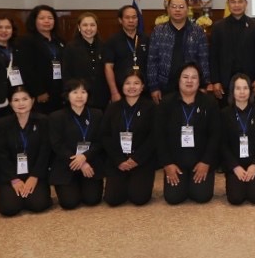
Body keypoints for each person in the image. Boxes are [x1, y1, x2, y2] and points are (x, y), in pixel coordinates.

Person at [157, 63, 221, 205]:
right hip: (175, 161)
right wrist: (168, 164)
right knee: (173, 198)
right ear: (178, 80)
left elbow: (215, 135)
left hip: (201, 160)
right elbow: (159, 136)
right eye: (185, 77)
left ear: (199, 81)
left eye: (194, 77)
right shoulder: (167, 103)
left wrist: (206, 162)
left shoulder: (209, 103)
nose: (189, 81)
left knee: (201, 196)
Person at [99, 70, 156, 207]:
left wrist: (136, 159)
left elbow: (154, 137)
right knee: (112, 199)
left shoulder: (151, 107)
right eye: (127, 83)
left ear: (142, 87)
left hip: (141, 160)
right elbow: (105, 135)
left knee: (139, 198)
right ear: (122, 86)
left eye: (136, 83)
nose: (132, 87)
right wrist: (119, 160)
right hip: (118, 160)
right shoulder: (113, 108)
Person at [0, 87, 53, 217]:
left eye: (25, 99)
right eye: (16, 100)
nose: (21, 103)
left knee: (38, 204)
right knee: (9, 208)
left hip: (35, 172)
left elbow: (45, 151)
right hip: (11, 174)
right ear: (10, 103)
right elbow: (1, 154)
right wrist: (14, 179)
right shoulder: (2, 124)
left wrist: (34, 176)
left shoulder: (43, 121)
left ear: (32, 100)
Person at [48, 79, 105, 209]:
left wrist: (85, 157)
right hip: (66, 163)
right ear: (67, 95)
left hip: (90, 162)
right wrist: (80, 162)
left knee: (92, 200)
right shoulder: (56, 116)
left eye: (83, 92)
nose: (79, 96)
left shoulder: (97, 114)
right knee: (69, 203)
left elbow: (100, 141)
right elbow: (57, 144)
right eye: (75, 92)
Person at [146, 0, 212, 104]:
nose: (177, 10)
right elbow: (152, 61)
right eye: (174, 7)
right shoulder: (158, 31)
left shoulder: (197, 31)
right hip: (164, 85)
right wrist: (153, 87)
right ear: (168, 9)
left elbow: (203, 60)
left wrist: (204, 84)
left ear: (187, 9)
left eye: (181, 7)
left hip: (190, 84)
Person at [221, 74, 255, 205]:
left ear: (250, 90)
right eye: (238, 88)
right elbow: (223, 144)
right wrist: (235, 166)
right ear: (232, 91)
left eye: (245, 88)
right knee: (235, 198)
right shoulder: (224, 114)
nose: (242, 92)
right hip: (235, 164)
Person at [210, 0, 255, 103]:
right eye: (233, 2)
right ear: (228, 4)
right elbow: (213, 56)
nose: (236, 5)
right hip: (224, 83)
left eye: (240, 2)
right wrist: (215, 81)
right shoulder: (218, 27)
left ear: (246, 3)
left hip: (250, 82)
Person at [19, 5, 66, 115]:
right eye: (42, 18)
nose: (46, 21)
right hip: (41, 92)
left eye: (50, 18)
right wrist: (39, 91)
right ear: (34, 21)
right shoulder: (26, 41)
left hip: (59, 90)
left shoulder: (60, 41)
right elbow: (27, 69)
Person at [103, 4, 148, 104]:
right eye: (127, 18)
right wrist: (114, 92)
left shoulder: (146, 38)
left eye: (134, 17)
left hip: (144, 92)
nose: (131, 21)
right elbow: (108, 67)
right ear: (120, 20)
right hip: (120, 91)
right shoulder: (112, 40)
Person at [63, 12, 108, 110]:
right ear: (79, 27)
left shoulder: (104, 46)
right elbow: (66, 73)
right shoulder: (71, 47)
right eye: (85, 25)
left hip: (102, 97)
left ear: (97, 27)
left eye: (92, 25)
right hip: (79, 97)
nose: (89, 28)